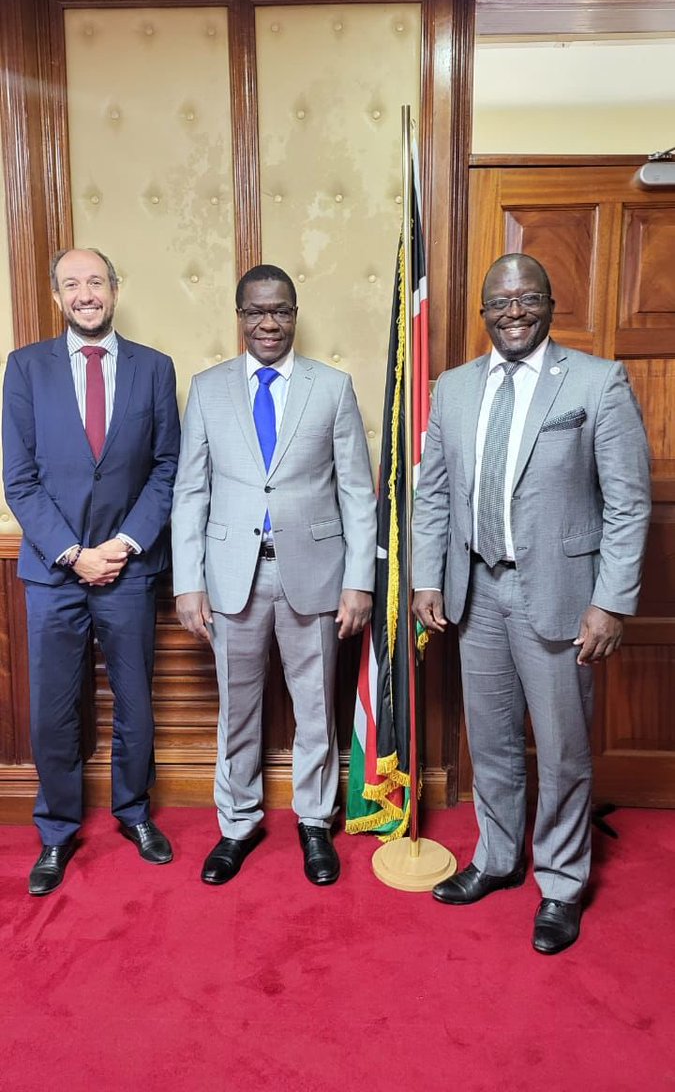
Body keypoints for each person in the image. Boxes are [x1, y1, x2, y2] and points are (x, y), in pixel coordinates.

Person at [412, 253, 651, 954]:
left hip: (557, 592)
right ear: (483, 311)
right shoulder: (451, 390)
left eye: (527, 298)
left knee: (562, 746)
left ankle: (561, 882)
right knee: (488, 739)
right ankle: (495, 857)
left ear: (548, 303)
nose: (513, 312)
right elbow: (433, 495)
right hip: (475, 587)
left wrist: (610, 602)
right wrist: (428, 577)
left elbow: (628, 503)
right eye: (500, 302)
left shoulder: (595, 381)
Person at [172, 263, 376, 886]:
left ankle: (316, 824)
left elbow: (357, 493)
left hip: (316, 575)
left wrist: (359, 581)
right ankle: (236, 824)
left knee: (316, 708)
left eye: (281, 310)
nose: (269, 322)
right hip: (231, 577)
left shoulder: (333, 388)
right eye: (257, 311)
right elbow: (190, 492)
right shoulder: (208, 389)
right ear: (240, 317)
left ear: (294, 314)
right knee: (237, 709)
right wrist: (188, 581)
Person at [2, 248, 181, 895]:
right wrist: (75, 553)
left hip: (129, 570)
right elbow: (18, 480)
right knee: (53, 710)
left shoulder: (154, 369)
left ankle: (134, 814)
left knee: (136, 702)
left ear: (115, 288)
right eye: (72, 284)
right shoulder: (24, 369)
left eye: (96, 282)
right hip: (54, 573)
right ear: (57, 297)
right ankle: (55, 832)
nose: (86, 294)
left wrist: (125, 544)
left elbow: (167, 467)